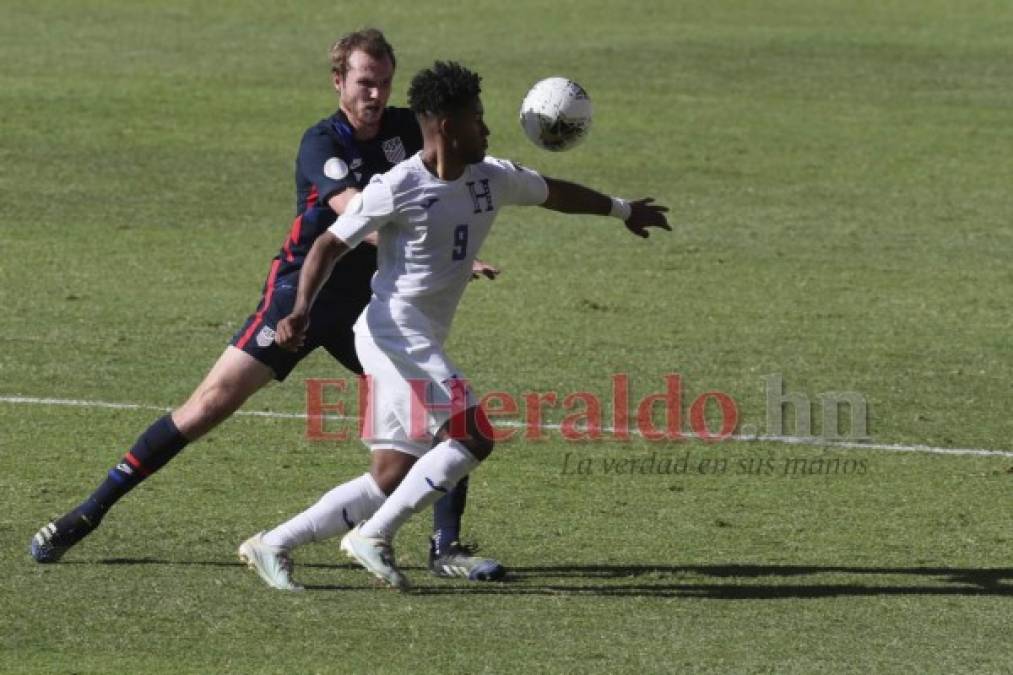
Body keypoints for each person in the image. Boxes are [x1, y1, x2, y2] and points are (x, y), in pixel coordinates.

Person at [29, 29, 505, 585]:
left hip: (370, 313)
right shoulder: (321, 143)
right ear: (338, 82)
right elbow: (350, 210)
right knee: (206, 406)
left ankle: (445, 548)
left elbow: (461, 172)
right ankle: (89, 511)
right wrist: (426, 233)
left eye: (383, 84)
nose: (375, 96)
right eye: (363, 84)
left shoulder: (406, 129)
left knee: (442, 411)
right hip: (300, 299)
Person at [250, 60, 670, 590]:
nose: (488, 128)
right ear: (447, 126)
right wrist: (299, 309)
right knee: (474, 434)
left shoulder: (491, 178)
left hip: (411, 336)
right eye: (477, 118)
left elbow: (556, 193)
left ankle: (273, 544)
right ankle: (372, 537)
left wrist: (623, 209)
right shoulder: (396, 186)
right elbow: (330, 243)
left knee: (390, 476)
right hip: (393, 332)